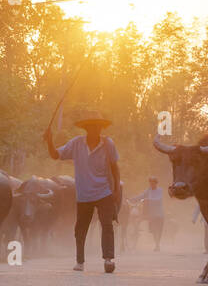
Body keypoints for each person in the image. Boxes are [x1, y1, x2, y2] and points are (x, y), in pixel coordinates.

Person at [44, 110, 121, 273]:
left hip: (104, 191)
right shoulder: (76, 143)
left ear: (101, 129)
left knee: (107, 225)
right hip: (84, 193)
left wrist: (116, 191)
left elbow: (115, 168)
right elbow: (55, 155)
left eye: (98, 127)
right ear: (86, 128)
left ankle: (108, 259)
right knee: (80, 228)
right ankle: (80, 261)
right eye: (91, 127)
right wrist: (49, 141)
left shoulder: (108, 144)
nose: (95, 129)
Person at [128, 176, 165, 251]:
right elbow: (141, 196)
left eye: (153, 182)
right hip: (150, 213)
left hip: (158, 213)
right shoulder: (148, 190)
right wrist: (132, 199)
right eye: (150, 182)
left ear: (156, 183)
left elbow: (158, 199)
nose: (151, 184)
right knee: (138, 220)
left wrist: (148, 199)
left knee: (156, 230)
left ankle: (157, 245)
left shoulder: (160, 190)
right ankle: (135, 234)